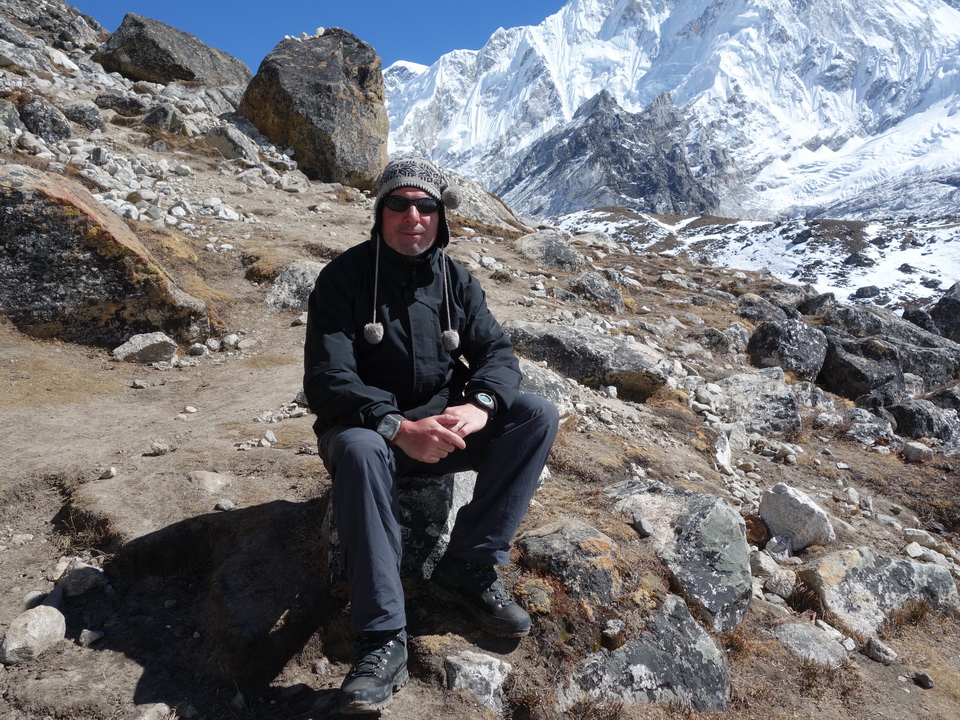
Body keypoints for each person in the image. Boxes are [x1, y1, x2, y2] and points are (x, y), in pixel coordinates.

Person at [303, 156, 559, 714]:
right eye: (398, 204)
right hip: (370, 433)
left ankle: (468, 566)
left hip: (443, 429)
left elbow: (497, 355)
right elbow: (327, 380)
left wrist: (480, 406)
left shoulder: (455, 280)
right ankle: (381, 637)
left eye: (425, 206)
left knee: (535, 415)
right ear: (380, 213)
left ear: (441, 218)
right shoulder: (343, 278)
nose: (412, 216)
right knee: (359, 449)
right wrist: (398, 427)